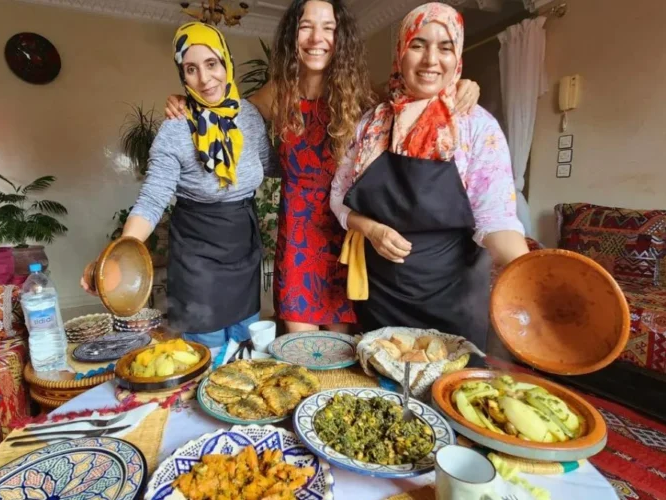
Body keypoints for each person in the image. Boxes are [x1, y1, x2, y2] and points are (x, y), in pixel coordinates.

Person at [165, 1, 481, 335]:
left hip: (347, 236)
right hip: (297, 239)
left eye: (328, 28)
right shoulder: (277, 93)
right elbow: (224, 110)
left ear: (340, 36)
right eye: (306, 26)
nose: (317, 38)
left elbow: (418, 97)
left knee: (342, 351)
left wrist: (460, 86)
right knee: (299, 349)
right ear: (293, 34)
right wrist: (186, 102)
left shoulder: (362, 95)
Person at [329, 2, 528, 352]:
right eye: (418, 45)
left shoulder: (476, 126)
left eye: (445, 47)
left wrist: (531, 276)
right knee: (380, 380)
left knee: (451, 383)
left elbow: (496, 219)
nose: (431, 59)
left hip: (453, 299)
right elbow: (338, 198)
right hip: (382, 297)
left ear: (458, 56)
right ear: (401, 53)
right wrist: (371, 229)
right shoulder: (372, 124)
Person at [82, 22, 279, 348]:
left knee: (246, 349)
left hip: (243, 247)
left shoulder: (249, 117)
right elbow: (152, 198)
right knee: (205, 350)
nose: (205, 78)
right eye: (191, 69)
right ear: (182, 76)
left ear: (226, 62)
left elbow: (274, 166)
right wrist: (120, 254)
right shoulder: (175, 129)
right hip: (196, 255)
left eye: (211, 64)